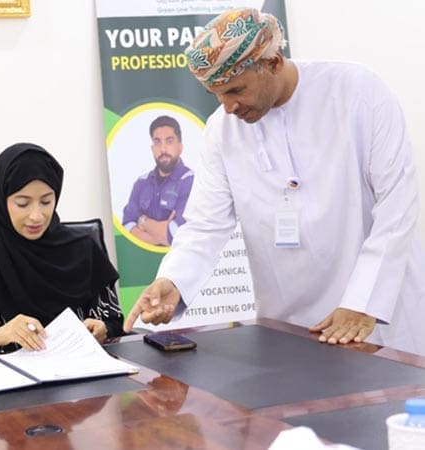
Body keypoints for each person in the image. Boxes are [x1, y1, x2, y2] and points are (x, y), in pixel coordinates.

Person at [124, 7, 425, 355]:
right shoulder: (222, 130)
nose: (229, 107)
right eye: (217, 95)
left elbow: (397, 205)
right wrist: (173, 281)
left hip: (375, 314)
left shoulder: (359, 93)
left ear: (274, 62)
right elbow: (205, 224)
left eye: (236, 90)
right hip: (290, 322)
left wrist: (363, 302)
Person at [0, 143, 124, 360]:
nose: (37, 216)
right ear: (1, 200)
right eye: (23, 204)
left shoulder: (84, 250)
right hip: (1, 379)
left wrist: (103, 329)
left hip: (79, 374)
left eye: (46, 201)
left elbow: (113, 322)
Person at [121, 115, 194, 246]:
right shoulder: (141, 183)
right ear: (152, 148)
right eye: (158, 142)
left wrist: (142, 221)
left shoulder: (190, 181)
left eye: (169, 141)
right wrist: (160, 236)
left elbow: (175, 234)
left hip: (181, 258)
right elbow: (127, 226)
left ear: (180, 147)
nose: (163, 149)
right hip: (143, 257)